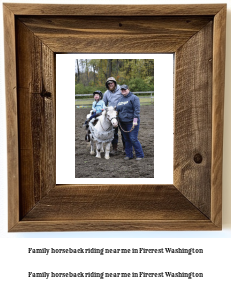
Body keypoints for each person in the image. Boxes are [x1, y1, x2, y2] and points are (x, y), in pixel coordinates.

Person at [116, 85, 144, 161]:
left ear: (128, 89)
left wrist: (135, 121)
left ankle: (140, 154)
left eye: (124, 89)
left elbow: (137, 111)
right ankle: (129, 155)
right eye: (122, 90)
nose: (123, 91)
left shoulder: (134, 98)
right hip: (122, 123)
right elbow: (117, 111)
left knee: (133, 138)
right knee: (126, 139)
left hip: (131, 122)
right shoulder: (120, 100)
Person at [103, 77, 125, 155]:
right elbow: (104, 104)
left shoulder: (121, 90)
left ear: (115, 83)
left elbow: (127, 97)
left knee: (124, 132)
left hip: (121, 114)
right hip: (112, 116)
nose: (110, 84)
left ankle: (125, 148)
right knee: (113, 133)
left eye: (111, 83)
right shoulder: (106, 93)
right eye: (108, 83)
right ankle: (115, 149)